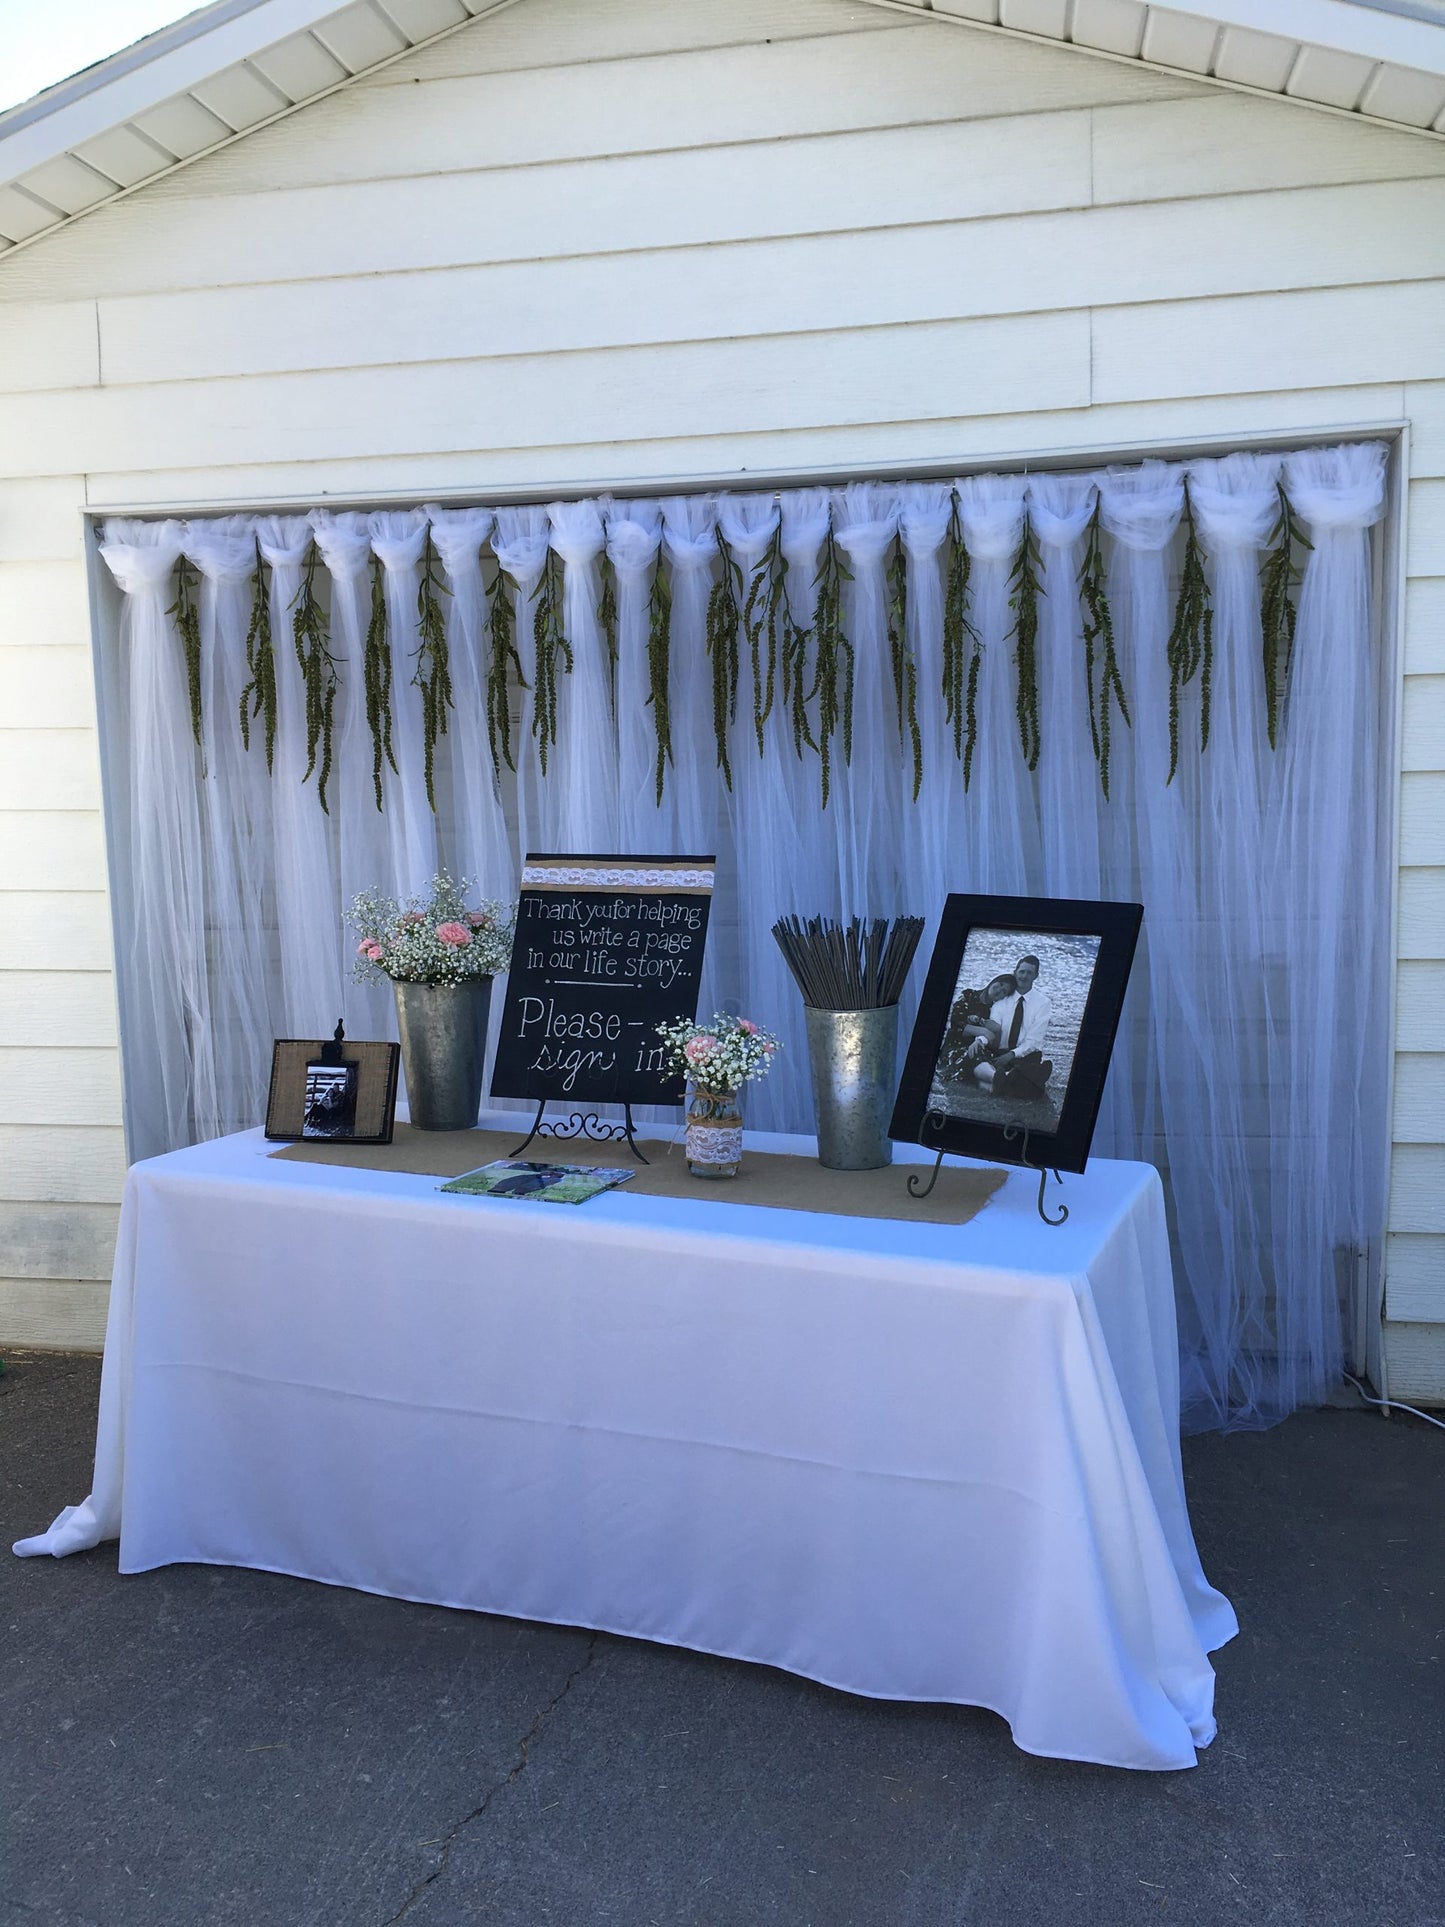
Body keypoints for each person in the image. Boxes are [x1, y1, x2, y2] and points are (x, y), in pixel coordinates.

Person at [965, 954, 1054, 1100]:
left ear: (1036, 976)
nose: (1024, 976)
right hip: (999, 1054)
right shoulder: (1002, 998)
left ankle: (1019, 1078)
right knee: (977, 1056)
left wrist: (1012, 1054)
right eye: (1022, 971)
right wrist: (980, 1040)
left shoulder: (1043, 1003)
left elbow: (1034, 1040)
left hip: (1024, 1054)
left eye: (1029, 973)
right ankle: (1009, 1079)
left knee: (1027, 1064)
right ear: (1016, 972)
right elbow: (993, 1027)